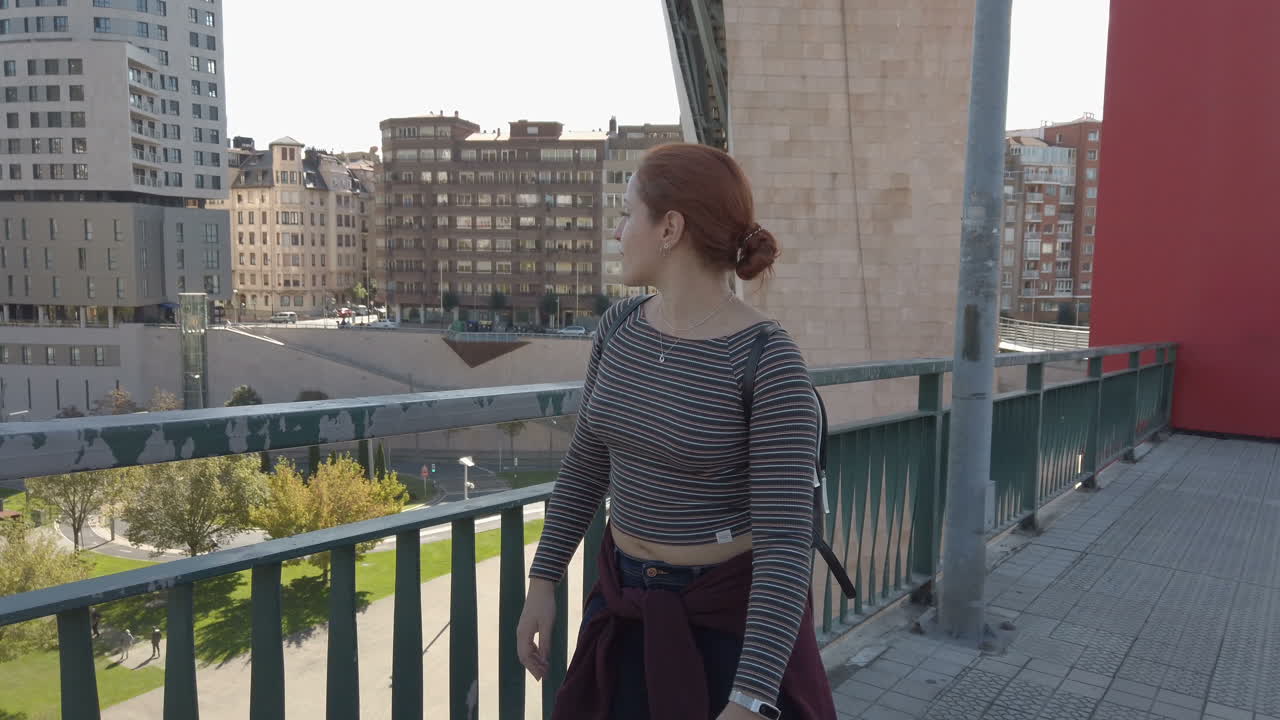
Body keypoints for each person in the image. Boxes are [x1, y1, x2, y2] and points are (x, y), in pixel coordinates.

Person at [516, 143, 836, 720]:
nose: (617, 233)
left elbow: (786, 548)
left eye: (627, 213)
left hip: (723, 628)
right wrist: (544, 577)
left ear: (670, 227)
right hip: (623, 602)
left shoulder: (768, 361)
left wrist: (749, 698)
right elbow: (587, 463)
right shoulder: (619, 326)